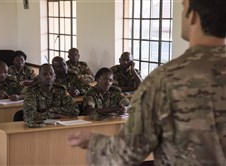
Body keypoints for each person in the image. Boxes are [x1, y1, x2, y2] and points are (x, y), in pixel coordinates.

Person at [67, 0, 226, 165]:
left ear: (192, 16)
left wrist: (92, 141)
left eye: (182, 7)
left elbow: (126, 152)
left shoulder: (165, 80)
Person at [23, 64, 80, 128]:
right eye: (45, 74)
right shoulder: (32, 91)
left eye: (51, 74)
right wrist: (55, 115)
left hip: (59, 127)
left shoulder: (61, 90)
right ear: (39, 77)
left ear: (55, 76)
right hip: (39, 128)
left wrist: (52, 110)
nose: (48, 77)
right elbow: (29, 115)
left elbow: (75, 110)